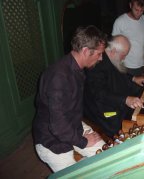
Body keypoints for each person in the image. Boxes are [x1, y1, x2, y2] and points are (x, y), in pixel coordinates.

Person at [33, 26, 107, 172]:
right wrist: (83, 141)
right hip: (51, 140)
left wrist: (82, 133)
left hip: (71, 126)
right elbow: (57, 126)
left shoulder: (75, 67)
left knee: (107, 156)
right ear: (86, 51)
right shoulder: (58, 77)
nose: (101, 58)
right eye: (99, 54)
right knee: (75, 175)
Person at [84, 35, 144, 137]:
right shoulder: (96, 64)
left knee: (141, 93)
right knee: (124, 125)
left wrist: (133, 78)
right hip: (101, 109)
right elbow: (99, 93)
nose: (125, 58)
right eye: (124, 55)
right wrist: (125, 99)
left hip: (112, 98)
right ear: (113, 51)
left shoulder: (111, 57)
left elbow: (119, 73)